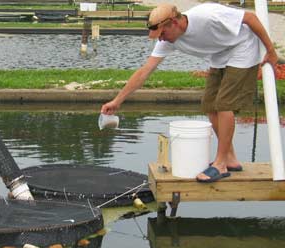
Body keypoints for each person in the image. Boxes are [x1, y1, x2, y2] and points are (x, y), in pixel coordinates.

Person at [100, 2, 278, 182]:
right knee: (209, 105)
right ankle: (230, 158)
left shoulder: (207, 15)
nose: (161, 39)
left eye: (162, 34)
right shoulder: (168, 40)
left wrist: (270, 50)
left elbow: (250, 17)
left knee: (224, 104)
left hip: (243, 47)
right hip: (220, 54)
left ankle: (220, 163)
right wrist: (117, 101)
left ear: (174, 23)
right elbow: (144, 72)